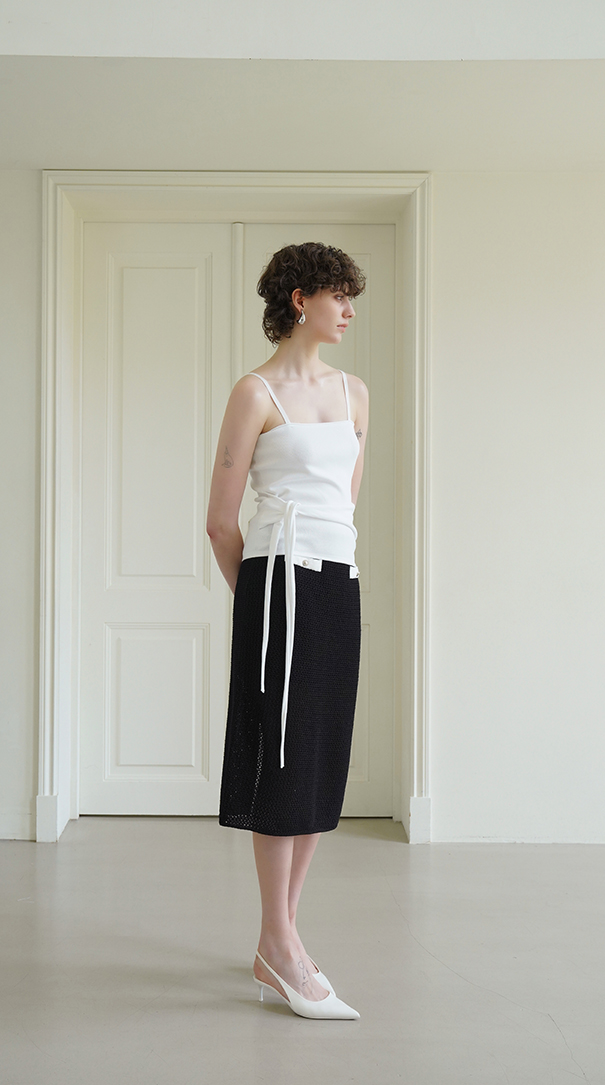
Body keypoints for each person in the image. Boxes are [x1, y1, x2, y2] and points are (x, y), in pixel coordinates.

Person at [206, 242, 368, 1020]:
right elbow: (219, 521)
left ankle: (283, 938)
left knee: (317, 759)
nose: (350, 310)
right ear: (300, 299)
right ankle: (279, 939)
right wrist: (258, 605)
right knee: (280, 759)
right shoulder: (255, 392)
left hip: (338, 582)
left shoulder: (355, 392)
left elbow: (345, 502)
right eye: (339, 295)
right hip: (278, 582)